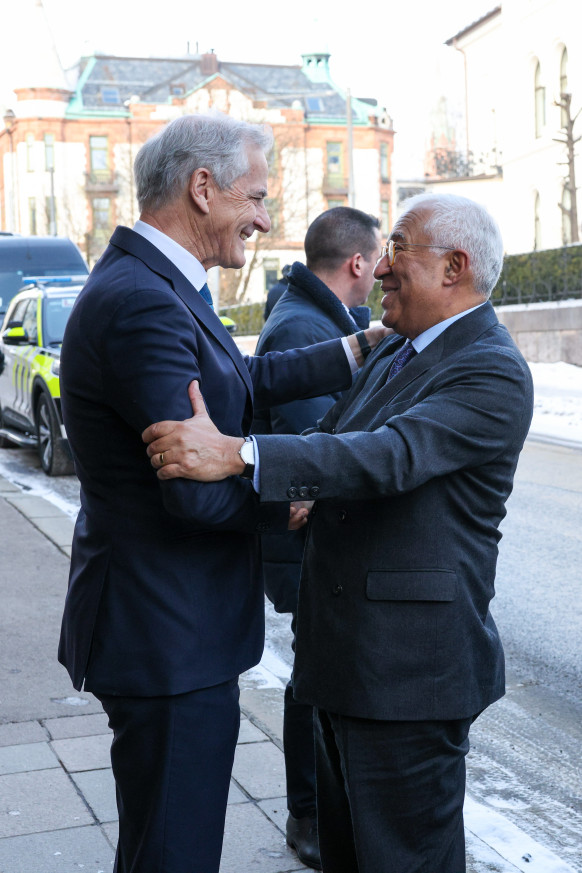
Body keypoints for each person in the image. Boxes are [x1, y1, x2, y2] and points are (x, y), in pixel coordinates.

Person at [142, 193, 535, 873]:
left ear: (455, 268)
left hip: (409, 683)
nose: (381, 266)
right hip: (344, 666)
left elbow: (389, 452)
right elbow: (329, 437)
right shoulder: (396, 351)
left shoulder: (491, 368)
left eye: (401, 249)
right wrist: (295, 483)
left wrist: (238, 453)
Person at [57, 111, 388, 873]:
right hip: (168, 635)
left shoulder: (156, 282)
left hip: (168, 626)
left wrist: (357, 345)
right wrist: (290, 490)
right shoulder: (144, 301)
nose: (267, 219)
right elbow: (194, 489)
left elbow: (238, 382)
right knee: (174, 852)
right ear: (202, 189)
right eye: (256, 197)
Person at [254, 207, 381, 869]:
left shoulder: (315, 317)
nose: (383, 270)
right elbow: (313, 454)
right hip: (305, 539)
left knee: (316, 673)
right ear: (357, 262)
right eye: (379, 257)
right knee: (310, 678)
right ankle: (306, 812)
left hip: (309, 540)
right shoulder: (302, 326)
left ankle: (314, 807)